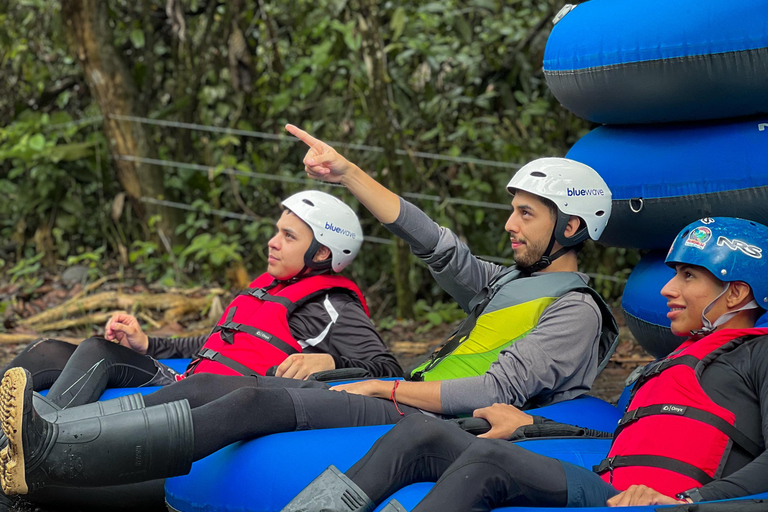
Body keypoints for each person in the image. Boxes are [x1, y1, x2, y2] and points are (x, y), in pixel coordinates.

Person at [0, 127, 619, 496]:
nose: (509, 224)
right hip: (399, 394)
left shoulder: (577, 312)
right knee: (222, 384)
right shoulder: (503, 282)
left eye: (525, 215)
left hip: (431, 409)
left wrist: (385, 381)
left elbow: (494, 386)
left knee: (251, 398)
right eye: (512, 210)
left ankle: (61, 448)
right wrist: (348, 172)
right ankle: (51, 437)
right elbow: (434, 243)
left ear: (571, 225)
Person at [279, 216, 768, 511]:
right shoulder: (669, 364)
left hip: (668, 502)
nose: (668, 289)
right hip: (608, 487)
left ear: (738, 291)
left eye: (688, 276)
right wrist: (531, 423)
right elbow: (638, 439)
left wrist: (688, 503)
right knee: (420, 433)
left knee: (489, 461)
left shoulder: (758, 352)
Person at [2, 190, 402, 411]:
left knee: (189, 387)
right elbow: (217, 344)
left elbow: (388, 368)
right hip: (189, 380)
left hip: (222, 400)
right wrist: (149, 345)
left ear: (321, 254)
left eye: (289, 237)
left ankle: (40, 441)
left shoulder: (332, 306)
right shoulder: (268, 286)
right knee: (70, 350)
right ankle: (21, 433)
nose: (272, 242)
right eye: (277, 231)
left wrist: (332, 361)